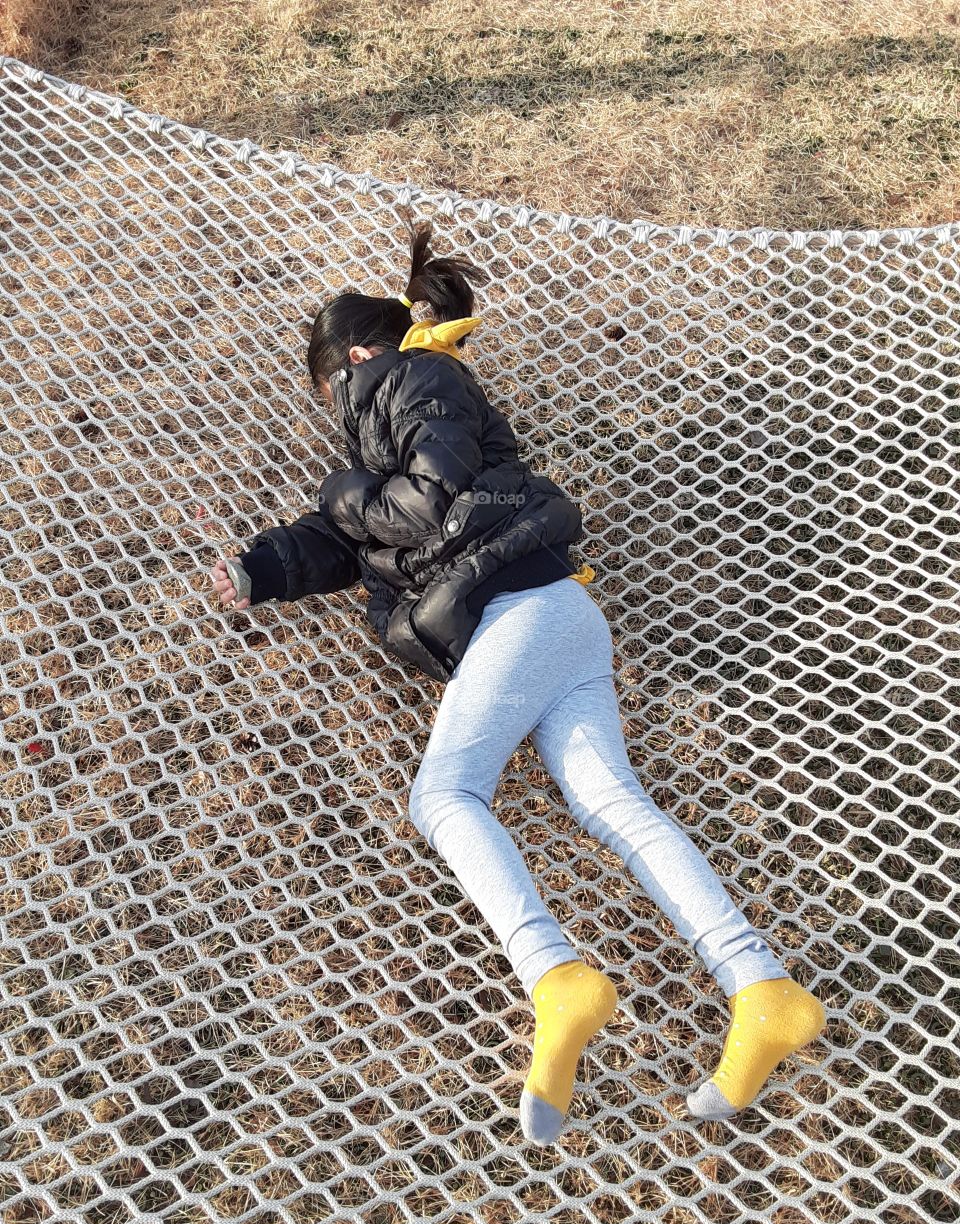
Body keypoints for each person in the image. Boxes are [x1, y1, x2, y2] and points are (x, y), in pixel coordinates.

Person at [210, 211, 827, 1146]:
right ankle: (764, 990)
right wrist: (263, 568)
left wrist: (345, 497)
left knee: (444, 793)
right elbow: (358, 535)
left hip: (518, 609)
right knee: (613, 803)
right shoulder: (397, 425)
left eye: (328, 386)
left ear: (356, 358)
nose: (331, 407)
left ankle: (556, 976)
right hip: (558, 621)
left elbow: (421, 500)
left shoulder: (418, 378)